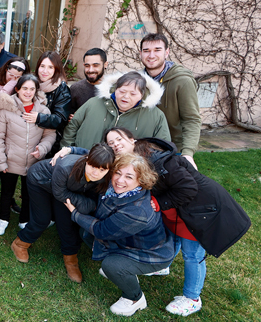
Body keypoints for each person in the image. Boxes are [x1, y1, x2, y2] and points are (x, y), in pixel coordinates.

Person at [54, 128, 251, 317]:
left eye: (118, 140)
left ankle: (191, 297)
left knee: (193, 254)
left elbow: (189, 188)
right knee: (169, 237)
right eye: (110, 143)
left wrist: (158, 201)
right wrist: (71, 149)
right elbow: (97, 156)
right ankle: (154, 265)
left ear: (133, 140)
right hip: (171, 213)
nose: (114, 145)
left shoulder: (161, 163)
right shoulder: (125, 163)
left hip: (199, 210)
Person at [65, 153, 174, 317]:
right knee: (86, 233)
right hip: (128, 241)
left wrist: (75, 215)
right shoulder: (115, 189)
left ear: (141, 180)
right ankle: (125, 270)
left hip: (151, 253)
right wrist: (69, 149)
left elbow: (101, 230)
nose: (120, 180)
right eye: (118, 173)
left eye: (129, 177)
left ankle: (135, 298)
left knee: (111, 265)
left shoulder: (137, 211)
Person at [11, 143, 114, 283]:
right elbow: (60, 194)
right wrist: (85, 204)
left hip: (68, 190)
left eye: (102, 170)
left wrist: (86, 205)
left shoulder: (107, 175)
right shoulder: (65, 167)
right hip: (41, 181)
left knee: (67, 222)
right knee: (42, 219)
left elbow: (94, 203)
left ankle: (71, 259)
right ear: (87, 160)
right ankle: (20, 243)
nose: (96, 173)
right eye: (93, 167)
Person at [0, 74, 56, 233]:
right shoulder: (6, 109)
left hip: (32, 160)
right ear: (17, 89)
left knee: (29, 193)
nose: (28, 92)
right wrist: (1, 161)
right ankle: (3, 219)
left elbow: (50, 135)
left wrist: (42, 148)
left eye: (32, 89)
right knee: (7, 192)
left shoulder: (43, 110)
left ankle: (24, 219)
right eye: (24, 88)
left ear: (36, 91)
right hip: (10, 159)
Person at [62, 71, 171, 150]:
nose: (126, 97)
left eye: (133, 94)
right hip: (82, 163)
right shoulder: (93, 103)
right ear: (115, 89)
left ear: (141, 95)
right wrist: (69, 153)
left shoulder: (156, 116)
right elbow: (72, 127)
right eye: (122, 91)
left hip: (124, 176)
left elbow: (163, 147)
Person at [140, 32, 201, 169]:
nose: (151, 55)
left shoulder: (182, 81)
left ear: (166, 52)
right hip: (144, 146)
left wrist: (188, 153)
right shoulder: (138, 80)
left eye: (157, 50)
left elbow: (191, 119)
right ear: (140, 53)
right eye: (146, 51)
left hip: (172, 148)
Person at [31, 51, 73, 157]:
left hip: (50, 142)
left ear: (56, 70)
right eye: (42, 66)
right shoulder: (31, 84)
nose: (45, 71)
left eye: (50, 67)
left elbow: (61, 119)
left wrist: (39, 118)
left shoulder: (61, 89)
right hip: (29, 136)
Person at [69, 47, 108, 113]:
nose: (90, 70)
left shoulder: (114, 89)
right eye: (87, 66)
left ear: (105, 65)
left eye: (95, 65)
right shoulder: (75, 89)